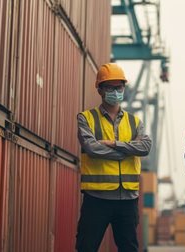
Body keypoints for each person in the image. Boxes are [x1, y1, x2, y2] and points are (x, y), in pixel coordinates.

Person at [76, 63, 152, 252]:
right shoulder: (86, 118)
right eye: (110, 87)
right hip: (96, 198)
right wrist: (128, 150)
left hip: (128, 199)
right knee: (86, 248)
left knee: (129, 249)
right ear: (100, 89)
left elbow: (145, 147)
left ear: (123, 89)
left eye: (119, 87)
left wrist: (113, 144)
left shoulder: (135, 121)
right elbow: (92, 148)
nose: (115, 91)